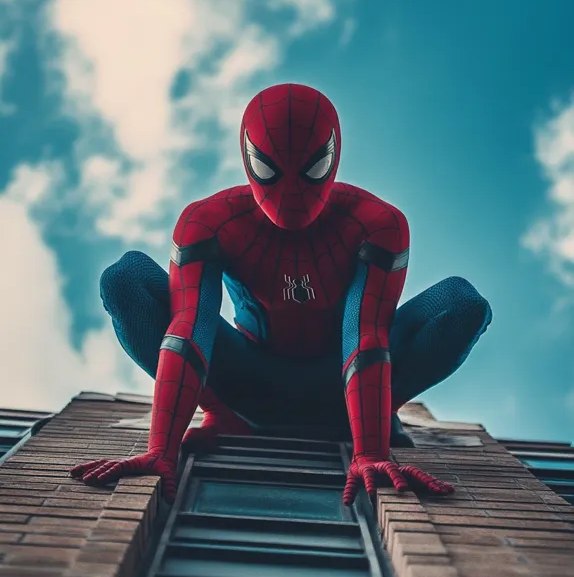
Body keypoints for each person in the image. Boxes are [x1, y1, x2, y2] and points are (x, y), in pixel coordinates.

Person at [71, 83, 491, 504]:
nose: (291, 193)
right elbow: (189, 325)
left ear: (333, 155)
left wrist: (370, 451)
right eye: (270, 169)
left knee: (462, 303)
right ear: (248, 158)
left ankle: (371, 415)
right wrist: (161, 450)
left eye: (312, 168)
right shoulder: (210, 222)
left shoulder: (376, 223)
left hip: (344, 388)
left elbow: (364, 333)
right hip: (250, 379)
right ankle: (225, 413)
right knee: (126, 277)